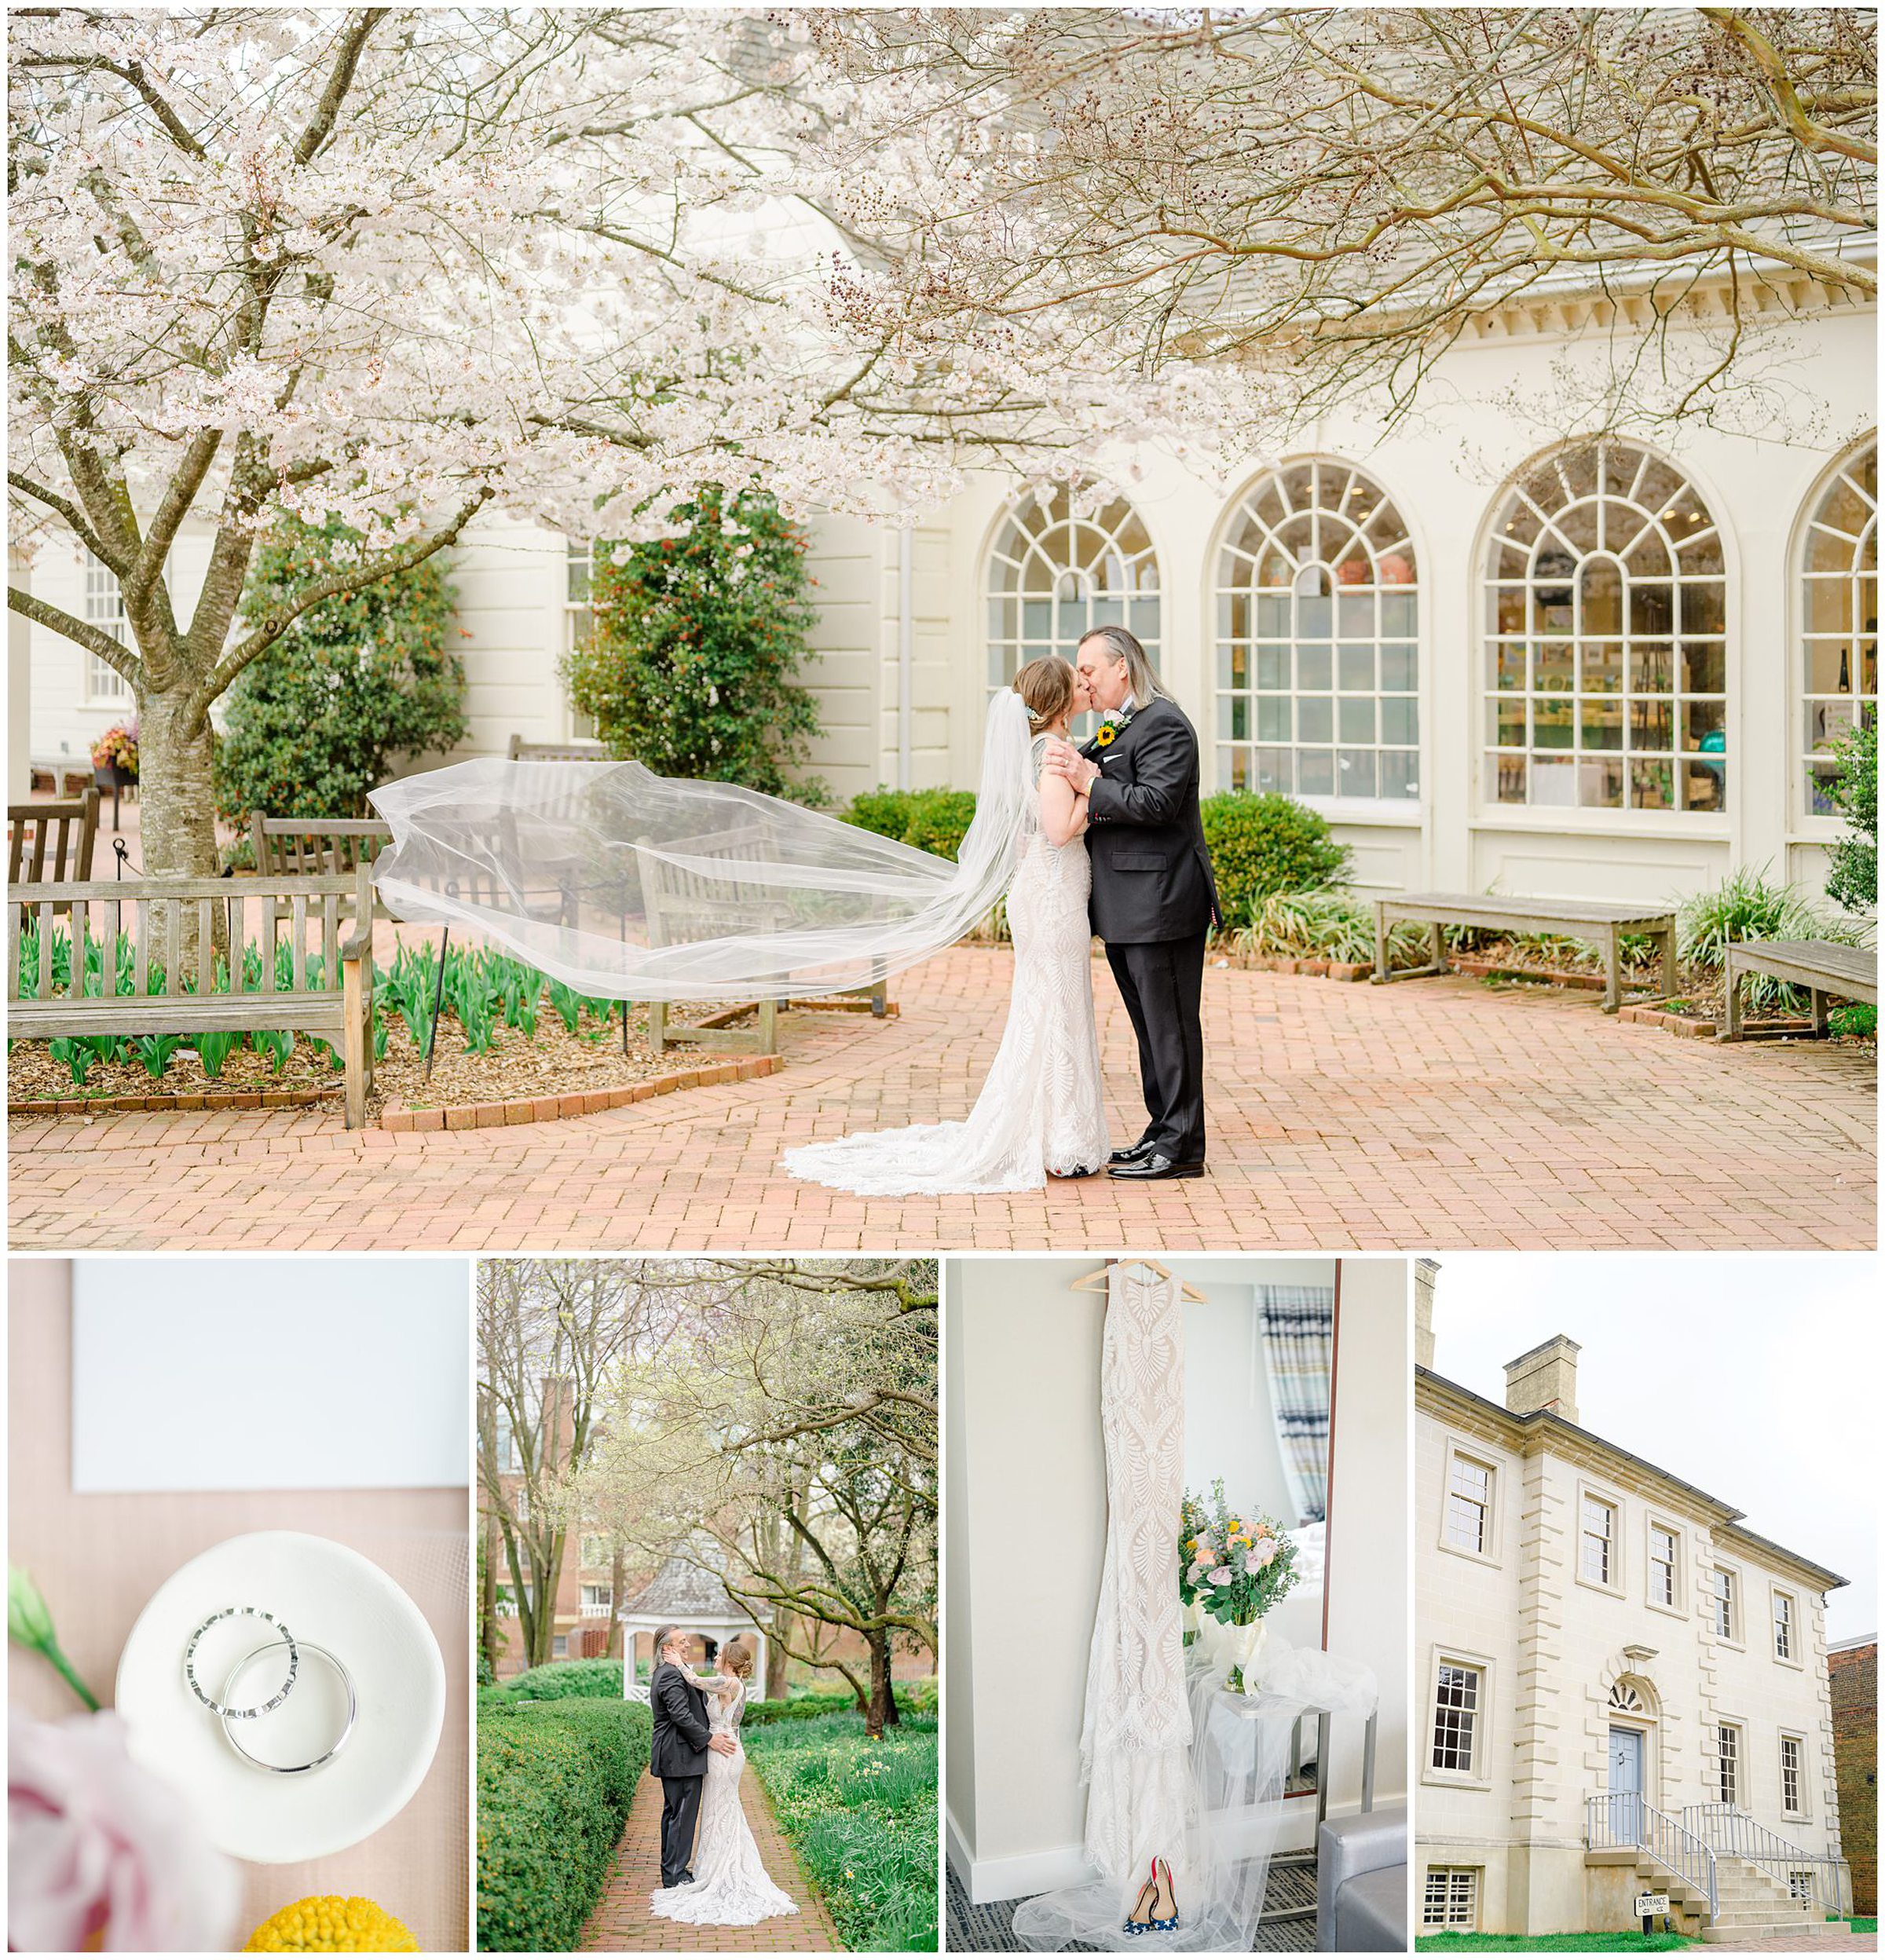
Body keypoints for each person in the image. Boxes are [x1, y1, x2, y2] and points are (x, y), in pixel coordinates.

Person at [781, 654, 1111, 1194]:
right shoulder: (1053, 755)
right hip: (1052, 898)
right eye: (1078, 683)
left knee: (1051, 1005)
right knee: (1057, 1005)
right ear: (1056, 703)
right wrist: (1096, 791)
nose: (1086, 686)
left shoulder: (1043, 751)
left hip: (1049, 893)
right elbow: (1057, 830)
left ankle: (1059, 1133)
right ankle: (1060, 1141)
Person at [1043, 625, 1220, 1179]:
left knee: (1171, 1029)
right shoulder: (1121, 726)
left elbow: (1158, 803)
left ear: (1123, 666)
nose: (1084, 681)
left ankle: (1182, 1149)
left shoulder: (1165, 723)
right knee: (1149, 1028)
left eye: (1090, 669)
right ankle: (1160, 1131)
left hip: (1161, 903)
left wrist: (1090, 783)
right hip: (1127, 906)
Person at [649, 1638, 800, 1928]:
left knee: (721, 1810)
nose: (715, 1656)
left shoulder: (729, 1683)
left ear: (729, 1660)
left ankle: (718, 1870)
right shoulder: (729, 1683)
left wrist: (679, 1663)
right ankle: (712, 1865)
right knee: (720, 1810)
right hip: (723, 1748)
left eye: (719, 1654)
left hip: (723, 1752)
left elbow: (693, 1680)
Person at [648, 1625, 736, 1892]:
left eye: (687, 1641)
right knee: (681, 1815)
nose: (688, 1645)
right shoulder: (670, 1676)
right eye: (682, 1641)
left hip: (680, 1754)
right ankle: (674, 1875)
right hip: (680, 1754)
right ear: (667, 1648)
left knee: (676, 1813)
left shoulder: (674, 1672)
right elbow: (680, 1715)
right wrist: (710, 1739)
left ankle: (673, 1868)